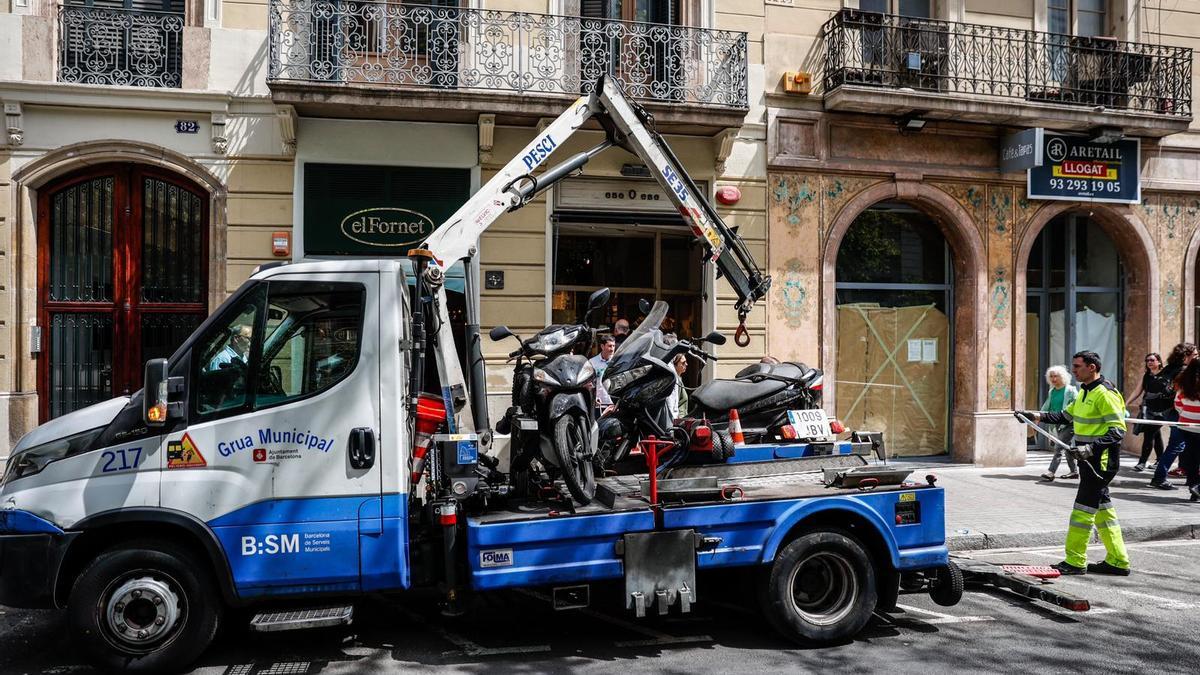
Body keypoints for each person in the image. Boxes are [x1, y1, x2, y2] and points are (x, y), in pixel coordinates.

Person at [1025, 350, 1131, 576]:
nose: (1073, 371)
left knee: (1082, 511)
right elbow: (1065, 416)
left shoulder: (1105, 393)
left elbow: (1117, 431)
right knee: (1103, 510)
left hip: (1099, 461)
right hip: (1088, 459)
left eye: (1077, 366)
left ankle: (1075, 560)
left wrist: (1091, 448)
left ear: (1092, 367)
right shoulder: (1085, 391)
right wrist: (1035, 416)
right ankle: (1118, 560)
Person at [1151, 342, 1198, 490]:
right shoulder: (1185, 371)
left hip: (1170, 412)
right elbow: (1180, 397)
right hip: (1179, 414)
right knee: (1177, 445)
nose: (1196, 358)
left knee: (1183, 446)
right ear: (1187, 356)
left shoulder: (1168, 368)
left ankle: (1190, 479)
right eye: (1195, 355)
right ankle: (1160, 477)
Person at [1125, 352, 1171, 472]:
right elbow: (1137, 391)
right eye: (1147, 360)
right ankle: (1158, 460)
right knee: (1155, 433)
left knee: (1150, 433)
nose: (1149, 362)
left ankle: (1142, 462)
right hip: (1148, 409)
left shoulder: (1166, 374)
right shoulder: (1147, 376)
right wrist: (1126, 403)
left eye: (1152, 360)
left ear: (1159, 362)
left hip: (1163, 410)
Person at [1039, 365, 1078, 481]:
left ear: (1062, 377)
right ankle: (1074, 472)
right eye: (1051, 376)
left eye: (1056, 376)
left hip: (1069, 423)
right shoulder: (1052, 391)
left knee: (1058, 447)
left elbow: (1077, 406)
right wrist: (1039, 416)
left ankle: (1051, 472)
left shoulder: (1071, 390)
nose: (1053, 379)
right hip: (1057, 422)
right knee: (1067, 448)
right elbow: (1047, 406)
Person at [1170, 359, 1200, 503]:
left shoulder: (1184, 381)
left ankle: (1194, 488)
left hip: (1186, 425)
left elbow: (1178, 402)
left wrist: (1187, 414)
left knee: (1192, 458)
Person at [590, 335, 616, 412]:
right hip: (599, 404)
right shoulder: (592, 362)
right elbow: (589, 384)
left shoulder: (617, 362)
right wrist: (593, 398)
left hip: (613, 403)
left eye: (614, 346)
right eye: (610, 346)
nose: (612, 349)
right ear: (602, 346)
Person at [668, 353, 689, 420]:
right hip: (677, 419)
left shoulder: (679, 379)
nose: (686, 364)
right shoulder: (674, 381)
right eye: (683, 363)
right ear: (675, 365)